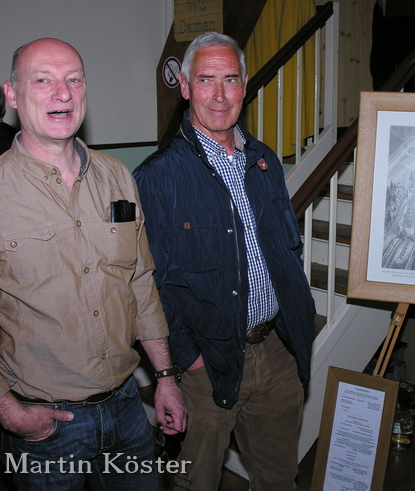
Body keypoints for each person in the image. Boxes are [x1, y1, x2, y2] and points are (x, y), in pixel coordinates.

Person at [0, 38, 186, 490]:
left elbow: (141, 283)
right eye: (43, 80)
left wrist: (165, 376)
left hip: (129, 408)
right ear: (12, 95)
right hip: (44, 426)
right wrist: (11, 413)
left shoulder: (118, 178)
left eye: (74, 79)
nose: (63, 93)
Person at [133, 32, 315, 490]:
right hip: (204, 368)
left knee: (279, 481)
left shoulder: (264, 161)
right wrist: (184, 363)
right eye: (206, 79)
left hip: (276, 355)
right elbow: (145, 286)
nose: (219, 94)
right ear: (186, 87)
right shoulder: (157, 178)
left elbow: (285, 252)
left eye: (229, 79)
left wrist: (296, 332)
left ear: (245, 85)